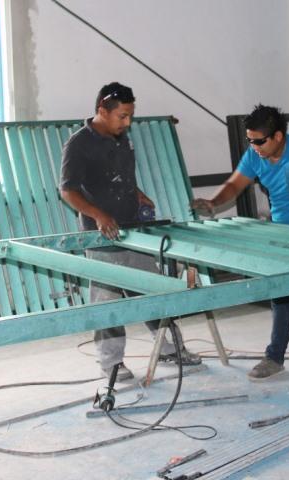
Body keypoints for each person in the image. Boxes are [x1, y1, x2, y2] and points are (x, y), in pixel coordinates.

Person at [60, 82, 201, 381]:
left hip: (134, 231)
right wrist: (98, 215)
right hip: (103, 237)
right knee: (108, 303)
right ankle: (112, 363)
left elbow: (120, 177)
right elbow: (67, 190)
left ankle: (169, 349)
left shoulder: (121, 139)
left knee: (152, 290)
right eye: (122, 116)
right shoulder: (79, 144)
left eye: (130, 116)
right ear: (102, 111)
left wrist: (138, 194)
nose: (127, 123)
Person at [191, 104, 289, 381]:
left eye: (259, 141)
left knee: (282, 291)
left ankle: (274, 357)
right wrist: (213, 202)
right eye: (250, 140)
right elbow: (235, 185)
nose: (254, 146)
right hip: (280, 231)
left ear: (278, 137)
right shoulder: (255, 155)